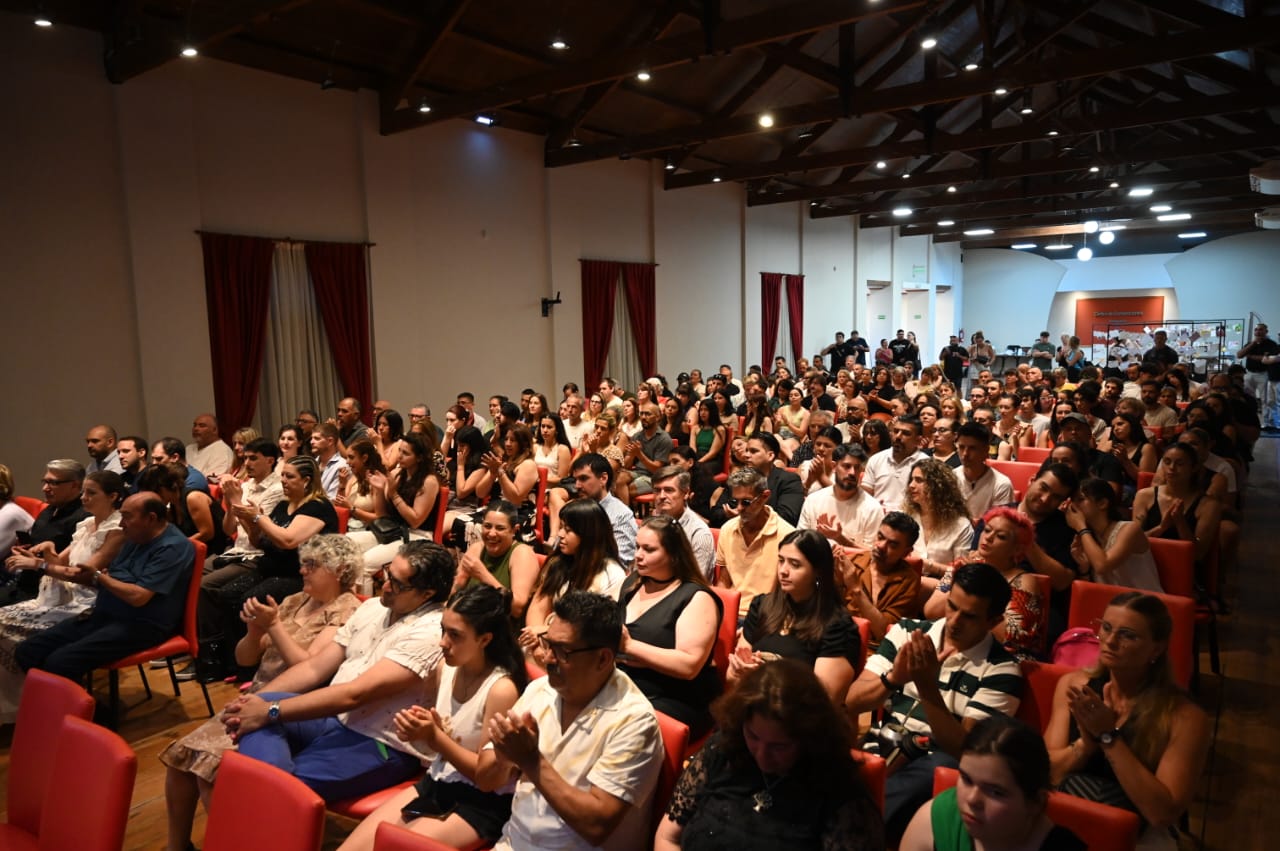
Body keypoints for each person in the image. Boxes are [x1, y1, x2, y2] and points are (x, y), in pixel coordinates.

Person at [161, 534, 363, 851]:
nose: (303, 571)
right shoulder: (295, 601)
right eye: (303, 563)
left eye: (312, 565)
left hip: (294, 707)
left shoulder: (347, 611)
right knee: (180, 762)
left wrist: (275, 627)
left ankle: (242, 844)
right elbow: (245, 659)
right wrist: (255, 632)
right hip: (256, 695)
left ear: (340, 570)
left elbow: (310, 667)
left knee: (210, 771)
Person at [221, 541, 452, 800]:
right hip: (335, 719)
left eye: (397, 584)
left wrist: (270, 711)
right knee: (258, 705)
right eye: (388, 573)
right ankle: (272, 792)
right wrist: (251, 704)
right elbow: (314, 668)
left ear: (427, 594)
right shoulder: (372, 607)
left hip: (380, 741)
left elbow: (355, 694)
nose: (386, 585)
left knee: (272, 781)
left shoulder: (431, 632)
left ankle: (272, 794)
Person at [335, 585, 528, 851]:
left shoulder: (501, 690)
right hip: (438, 782)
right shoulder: (445, 668)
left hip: (480, 803)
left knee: (390, 848)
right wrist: (419, 732)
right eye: (442, 630)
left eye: (455, 635)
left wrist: (435, 737)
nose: (442, 642)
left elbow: (487, 779)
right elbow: (443, 744)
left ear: (484, 640)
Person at [846, 562, 1022, 843]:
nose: (954, 621)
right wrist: (894, 678)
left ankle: (853, 833)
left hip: (935, 761)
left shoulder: (1001, 669)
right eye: (952, 606)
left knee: (939, 765)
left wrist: (926, 685)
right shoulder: (908, 631)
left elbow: (967, 752)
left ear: (993, 622)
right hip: (884, 741)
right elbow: (853, 701)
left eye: (969, 616)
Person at [475, 591, 663, 850]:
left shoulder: (634, 721)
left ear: (603, 659)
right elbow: (485, 780)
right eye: (548, 644)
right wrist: (505, 757)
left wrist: (530, 760)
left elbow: (596, 826)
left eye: (563, 651)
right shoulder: (540, 690)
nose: (548, 658)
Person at [656, 660, 884, 851]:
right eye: (753, 736)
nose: (762, 755)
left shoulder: (838, 789)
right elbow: (668, 837)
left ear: (809, 738)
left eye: (779, 746)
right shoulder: (726, 748)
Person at [1045, 592, 1210, 849]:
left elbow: (1162, 814)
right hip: (1068, 815)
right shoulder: (1074, 685)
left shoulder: (1185, 717)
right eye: (1106, 628)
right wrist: (1086, 745)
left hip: (1137, 833)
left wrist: (1108, 737)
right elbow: (1047, 773)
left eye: (1128, 635)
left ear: (1157, 648)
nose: (1110, 641)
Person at [14, 491, 195, 685]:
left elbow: (138, 597)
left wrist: (100, 576)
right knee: (27, 651)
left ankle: (79, 704)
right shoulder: (135, 537)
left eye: (127, 517)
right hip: (106, 614)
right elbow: (105, 579)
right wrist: (44, 565)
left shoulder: (173, 547)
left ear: (151, 518)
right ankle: (56, 699)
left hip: (143, 624)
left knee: (60, 662)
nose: (121, 523)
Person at [0, 471, 126, 723]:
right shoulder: (86, 524)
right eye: (84, 492)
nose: (84, 497)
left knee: (8, 632)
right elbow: (60, 564)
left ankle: (44, 704)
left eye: (91, 493)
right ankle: (24, 705)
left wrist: (38, 565)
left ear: (113, 496)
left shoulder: (117, 529)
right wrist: (47, 552)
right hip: (63, 594)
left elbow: (85, 575)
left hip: (88, 602)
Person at [200, 455, 340, 680]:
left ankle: (252, 666)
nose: (283, 480)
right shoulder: (284, 505)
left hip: (299, 574)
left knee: (248, 600)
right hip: (270, 567)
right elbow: (260, 542)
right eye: (282, 475)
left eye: (289, 476)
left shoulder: (318, 507)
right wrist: (249, 520)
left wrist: (257, 517)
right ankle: (232, 661)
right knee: (226, 594)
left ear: (306, 480)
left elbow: (288, 540)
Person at [900, 715, 1086, 851]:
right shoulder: (938, 818)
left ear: (1036, 802)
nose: (972, 799)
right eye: (966, 779)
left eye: (996, 792)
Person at [617, 515, 721, 737]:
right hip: (628, 684)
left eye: (649, 549)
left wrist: (629, 646)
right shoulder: (633, 582)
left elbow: (689, 666)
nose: (638, 555)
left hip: (676, 697)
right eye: (637, 546)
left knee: (613, 726)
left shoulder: (696, 597)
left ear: (674, 554)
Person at [730, 527, 861, 702]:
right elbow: (731, 677)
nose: (783, 570)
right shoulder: (761, 605)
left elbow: (825, 700)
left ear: (817, 571)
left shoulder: (836, 625)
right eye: (781, 561)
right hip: (753, 705)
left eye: (795, 564)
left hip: (798, 716)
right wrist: (741, 672)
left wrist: (763, 679)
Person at [925, 507, 1047, 661]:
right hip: (958, 646)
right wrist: (961, 577)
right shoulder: (963, 565)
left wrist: (978, 583)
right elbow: (931, 611)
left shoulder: (1024, 581)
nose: (988, 538)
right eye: (987, 530)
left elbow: (1013, 637)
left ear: (1017, 549)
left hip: (1001, 659)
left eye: (1001, 536)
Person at [521, 499, 626, 649]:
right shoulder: (558, 562)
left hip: (582, 649)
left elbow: (598, 627)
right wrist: (536, 644)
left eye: (568, 530)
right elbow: (538, 606)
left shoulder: (612, 574)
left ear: (588, 534)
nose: (560, 534)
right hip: (545, 641)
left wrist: (545, 631)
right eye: (561, 527)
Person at [348, 432, 442, 573]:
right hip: (392, 530)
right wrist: (379, 490)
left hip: (417, 536)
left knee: (365, 563)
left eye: (406, 453)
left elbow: (415, 521)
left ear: (420, 458)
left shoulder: (429, 481)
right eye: (399, 451)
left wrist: (394, 494)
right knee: (345, 543)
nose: (399, 456)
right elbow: (382, 515)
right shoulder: (397, 474)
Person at [713, 467, 796, 623]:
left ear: (764, 497)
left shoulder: (787, 535)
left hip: (765, 617)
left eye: (746, 502)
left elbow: (788, 594)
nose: (739, 508)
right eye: (734, 502)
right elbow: (724, 580)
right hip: (730, 612)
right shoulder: (727, 529)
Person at [835, 512, 922, 645]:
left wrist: (856, 589)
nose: (881, 546)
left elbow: (883, 633)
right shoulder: (851, 562)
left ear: (906, 552)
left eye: (892, 545)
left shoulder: (909, 582)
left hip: (875, 650)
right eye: (880, 537)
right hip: (840, 640)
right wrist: (835, 581)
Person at [1065, 477, 1163, 591]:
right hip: (1110, 600)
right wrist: (1085, 569)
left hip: (1145, 600)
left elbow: (1102, 566)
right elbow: (1088, 590)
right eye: (1072, 500)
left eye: (1080, 499)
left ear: (1102, 503)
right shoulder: (1089, 537)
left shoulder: (1129, 529)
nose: (1073, 506)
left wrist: (1081, 526)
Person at [451, 500, 541, 622]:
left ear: (514, 530)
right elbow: (455, 589)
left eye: (500, 528)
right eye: (487, 526)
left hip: (500, 626)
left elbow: (517, 609)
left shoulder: (522, 554)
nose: (492, 534)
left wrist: (483, 575)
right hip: (469, 621)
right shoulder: (476, 548)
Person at [798, 443, 885, 553]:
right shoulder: (813, 500)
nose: (852, 473)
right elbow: (799, 542)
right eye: (847, 466)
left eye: (857, 468)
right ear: (834, 466)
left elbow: (871, 555)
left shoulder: (873, 508)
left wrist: (840, 539)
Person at [709, 433, 804, 528]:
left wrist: (744, 517)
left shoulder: (789, 480)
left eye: (753, 451)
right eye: (746, 450)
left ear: (770, 455)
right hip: (735, 533)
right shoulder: (738, 478)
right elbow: (715, 513)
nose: (746, 455)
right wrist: (730, 516)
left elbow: (787, 518)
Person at [136, 462, 230, 556]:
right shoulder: (172, 505)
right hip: (194, 550)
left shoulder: (193, 497)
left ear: (162, 490)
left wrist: (175, 547)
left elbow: (207, 533)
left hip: (217, 550)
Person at [904, 458, 975, 582]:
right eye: (911, 479)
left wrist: (929, 566)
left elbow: (961, 574)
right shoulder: (906, 516)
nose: (911, 485)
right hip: (906, 579)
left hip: (944, 584)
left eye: (919, 480)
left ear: (937, 486)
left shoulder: (961, 526)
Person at [651, 465, 716, 579]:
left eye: (669, 490)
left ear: (685, 493)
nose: (661, 496)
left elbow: (695, 581)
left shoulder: (699, 533)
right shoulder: (650, 525)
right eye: (657, 490)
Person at [862, 416, 929, 511]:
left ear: (918, 440)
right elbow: (866, 495)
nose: (898, 436)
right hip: (878, 515)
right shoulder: (876, 459)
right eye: (896, 431)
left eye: (906, 433)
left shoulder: (926, 464)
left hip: (910, 517)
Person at [953, 423, 1014, 524]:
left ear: (986, 450)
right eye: (961, 447)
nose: (965, 454)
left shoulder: (1002, 484)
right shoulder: (951, 477)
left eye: (972, 448)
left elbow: (999, 524)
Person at [334, 439, 387, 530]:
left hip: (370, 529)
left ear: (364, 458)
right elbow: (339, 506)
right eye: (347, 457)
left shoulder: (377, 482)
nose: (347, 462)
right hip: (350, 526)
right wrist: (342, 485)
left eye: (351, 457)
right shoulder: (353, 479)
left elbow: (379, 518)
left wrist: (352, 508)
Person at [187, 413, 236, 479]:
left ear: (214, 430)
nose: (196, 429)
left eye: (202, 426)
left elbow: (212, 480)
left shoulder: (222, 451)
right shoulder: (189, 448)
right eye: (195, 425)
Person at [798, 425, 842, 495]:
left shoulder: (844, 470)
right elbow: (796, 496)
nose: (821, 449)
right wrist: (808, 482)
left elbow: (842, 496)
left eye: (827, 446)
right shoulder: (804, 466)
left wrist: (821, 477)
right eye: (818, 444)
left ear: (838, 448)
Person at [534, 413, 573, 480]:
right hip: (535, 484)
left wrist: (541, 479)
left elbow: (562, 478)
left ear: (557, 430)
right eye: (543, 426)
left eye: (549, 427)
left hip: (553, 486)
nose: (545, 430)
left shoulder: (563, 449)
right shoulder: (535, 447)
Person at [690, 399, 727, 466]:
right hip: (697, 456)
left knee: (697, 469)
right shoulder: (695, 428)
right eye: (701, 410)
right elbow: (692, 448)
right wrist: (694, 461)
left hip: (712, 460)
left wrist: (698, 462)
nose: (702, 413)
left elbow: (713, 453)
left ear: (713, 412)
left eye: (706, 410)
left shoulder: (719, 429)